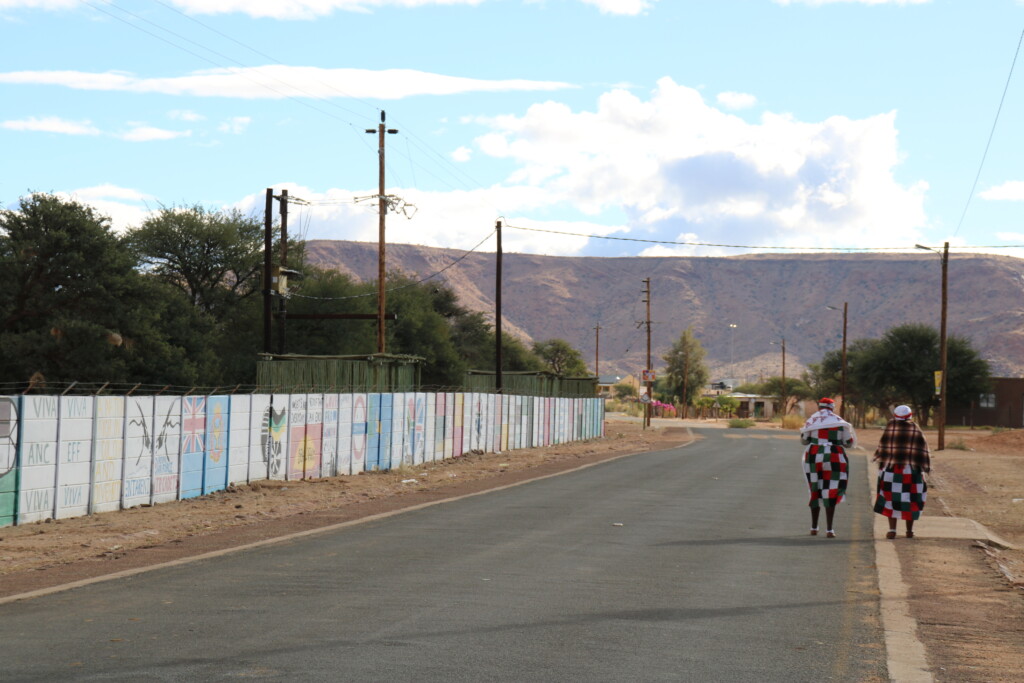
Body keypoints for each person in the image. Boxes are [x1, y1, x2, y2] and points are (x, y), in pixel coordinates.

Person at [800, 397, 856, 538]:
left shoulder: (812, 420)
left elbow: (804, 440)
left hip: (814, 457)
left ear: (819, 407)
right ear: (832, 407)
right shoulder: (839, 422)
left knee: (814, 488)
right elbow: (849, 442)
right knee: (831, 489)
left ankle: (814, 527)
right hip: (835, 458)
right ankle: (829, 529)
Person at [873, 405, 931, 539]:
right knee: (910, 499)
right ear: (910, 416)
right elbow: (923, 450)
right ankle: (909, 531)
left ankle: (892, 530)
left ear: (895, 415)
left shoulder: (890, 428)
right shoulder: (915, 429)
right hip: (911, 471)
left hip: (890, 470)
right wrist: (924, 468)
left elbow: (882, 448)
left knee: (890, 499)